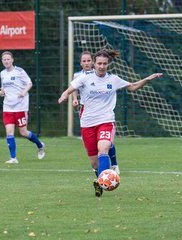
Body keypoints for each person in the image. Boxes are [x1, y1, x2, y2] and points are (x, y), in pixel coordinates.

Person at [58, 49, 162, 197]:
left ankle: (102, 183)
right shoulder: (84, 78)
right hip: (87, 123)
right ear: (94, 63)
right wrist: (64, 94)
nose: (101, 66)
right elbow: (71, 88)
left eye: (104, 64)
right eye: (99, 63)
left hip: (106, 120)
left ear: (108, 64)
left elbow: (132, 87)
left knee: (103, 149)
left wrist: (147, 79)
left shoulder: (113, 79)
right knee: (95, 163)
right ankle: (100, 179)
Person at [72, 51, 121, 175]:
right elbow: (74, 89)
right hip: (87, 113)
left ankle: (114, 164)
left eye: (88, 60)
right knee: (93, 153)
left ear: (92, 62)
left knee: (105, 144)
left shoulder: (106, 76)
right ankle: (99, 175)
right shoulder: (78, 75)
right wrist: (74, 99)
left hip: (104, 115)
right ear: (81, 63)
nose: (87, 63)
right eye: (84, 61)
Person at [0, 51, 45, 163]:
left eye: (8, 59)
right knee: (9, 132)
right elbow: (3, 88)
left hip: (20, 106)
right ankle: (13, 158)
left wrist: (23, 92)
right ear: (2, 61)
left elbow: (29, 83)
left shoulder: (19, 71)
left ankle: (40, 145)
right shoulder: (2, 73)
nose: (6, 61)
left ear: (12, 60)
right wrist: (1, 92)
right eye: (4, 59)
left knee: (23, 132)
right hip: (7, 107)